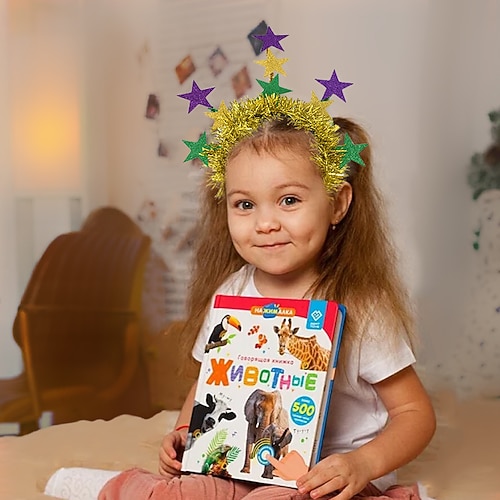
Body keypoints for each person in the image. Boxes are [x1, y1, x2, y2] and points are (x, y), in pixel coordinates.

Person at [46, 28, 436, 500]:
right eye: (245, 204)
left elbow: (415, 415)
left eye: (288, 200)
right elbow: (209, 382)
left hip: (324, 478)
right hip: (238, 462)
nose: (265, 223)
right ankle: (114, 488)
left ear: (337, 204)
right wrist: (184, 431)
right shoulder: (232, 293)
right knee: (184, 492)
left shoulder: (361, 304)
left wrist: (362, 464)